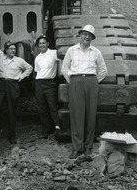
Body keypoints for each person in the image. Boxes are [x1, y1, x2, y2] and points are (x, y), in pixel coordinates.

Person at [0, 21, 33, 145]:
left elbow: (29, 68)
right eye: (11, 49)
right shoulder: (0, 56)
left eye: (14, 49)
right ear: (6, 50)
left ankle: (12, 136)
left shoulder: (19, 61)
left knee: (11, 111)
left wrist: (21, 77)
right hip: (1, 85)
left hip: (13, 85)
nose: (13, 50)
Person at [61, 24, 107, 158]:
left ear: (92, 38)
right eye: (84, 34)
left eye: (89, 35)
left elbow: (103, 70)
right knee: (76, 115)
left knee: (90, 115)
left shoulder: (96, 52)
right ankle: (77, 147)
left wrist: (93, 82)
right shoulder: (71, 50)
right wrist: (74, 82)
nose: (86, 37)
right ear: (80, 35)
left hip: (91, 81)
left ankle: (88, 147)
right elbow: (64, 68)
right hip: (75, 81)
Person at [34, 35, 61, 136]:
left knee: (53, 106)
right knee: (42, 107)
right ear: (38, 45)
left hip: (50, 83)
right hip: (39, 83)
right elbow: (37, 71)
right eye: (40, 43)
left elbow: (63, 59)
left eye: (43, 43)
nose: (42, 45)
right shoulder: (37, 58)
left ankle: (57, 127)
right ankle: (47, 129)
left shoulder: (54, 53)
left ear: (47, 44)